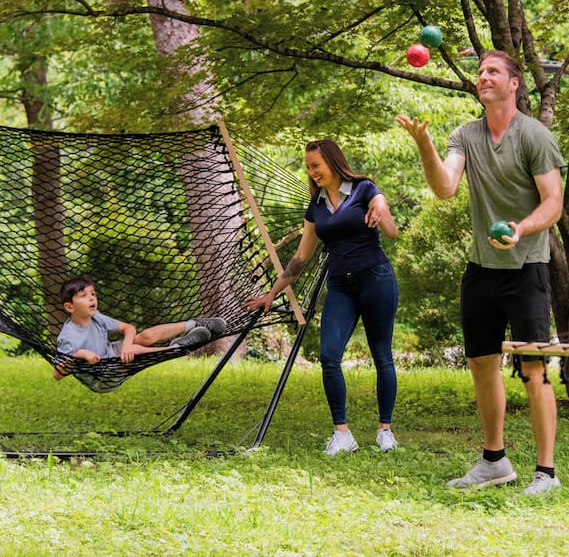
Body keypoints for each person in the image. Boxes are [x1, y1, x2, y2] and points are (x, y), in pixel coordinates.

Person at [396, 50, 565, 495]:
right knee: (482, 365)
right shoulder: (465, 135)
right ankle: (495, 461)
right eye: (480, 71)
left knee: (534, 369)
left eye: (493, 71)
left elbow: (553, 203)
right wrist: (424, 145)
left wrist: (521, 228)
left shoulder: (535, 135)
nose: (483, 76)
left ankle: (546, 473)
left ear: (514, 84)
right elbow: (445, 187)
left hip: (527, 266)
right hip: (481, 268)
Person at [244, 139, 400, 455]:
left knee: (381, 354)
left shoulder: (363, 188)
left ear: (332, 161)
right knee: (329, 355)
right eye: (309, 167)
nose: (312, 172)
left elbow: (391, 230)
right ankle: (342, 434)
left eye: (316, 165)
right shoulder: (315, 208)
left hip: (376, 278)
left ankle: (385, 430)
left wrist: (381, 208)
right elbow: (301, 258)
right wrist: (271, 294)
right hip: (341, 285)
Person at [53, 276, 227, 381]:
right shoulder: (69, 337)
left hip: (110, 353)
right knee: (135, 349)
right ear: (69, 307)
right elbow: (57, 374)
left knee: (143, 338)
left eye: (93, 294)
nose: (92, 299)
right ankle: (177, 348)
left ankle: (194, 324)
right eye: (84, 296)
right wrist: (79, 355)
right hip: (102, 373)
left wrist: (126, 345)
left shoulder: (96, 316)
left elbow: (129, 328)